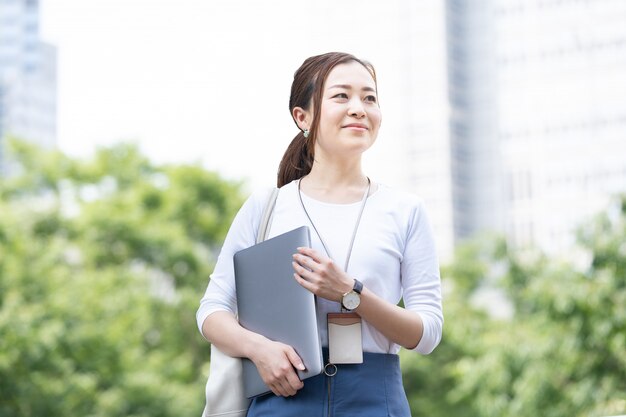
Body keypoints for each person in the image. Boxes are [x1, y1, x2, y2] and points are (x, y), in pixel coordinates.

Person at [196, 52, 443, 416]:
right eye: (341, 96)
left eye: (369, 98)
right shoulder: (267, 206)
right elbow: (212, 311)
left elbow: (427, 333)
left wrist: (350, 293)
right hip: (282, 393)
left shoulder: (405, 209)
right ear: (303, 117)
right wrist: (258, 349)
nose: (359, 108)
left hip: (375, 400)